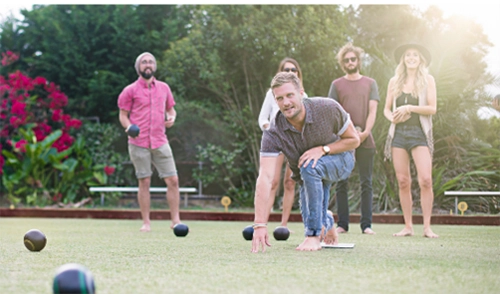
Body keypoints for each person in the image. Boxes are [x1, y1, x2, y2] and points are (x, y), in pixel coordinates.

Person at [251, 72, 360, 253]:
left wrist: (323, 149)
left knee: (310, 166)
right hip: (307, 174)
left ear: (301, 93)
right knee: (311, 210)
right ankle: (327, 220)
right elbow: (265, 177)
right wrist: (259, 224)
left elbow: (354, 140)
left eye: (289, 95)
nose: (285, 103)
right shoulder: (273, 132)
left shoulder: (327, 108)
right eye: (279, 98)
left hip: (341, 160)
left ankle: (313, 236)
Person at [117, 52, 182, 232]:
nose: (148, 65)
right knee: (144, 181)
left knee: (173, 180)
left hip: (160, 141)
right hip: (138, 142)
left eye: (151, 62)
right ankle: (146, 222)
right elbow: (123, 115)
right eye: (144, 62)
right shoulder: (129, 90)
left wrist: (171, 117)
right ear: (138, 67)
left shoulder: (164, 88)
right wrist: (129, 127)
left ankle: (176, 221)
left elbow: (171, 109)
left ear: (154, 66)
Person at [383, 43, 439, 238]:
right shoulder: (394, 81)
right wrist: (393, 118)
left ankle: (426, 227)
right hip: (398, 134)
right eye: (408, 55)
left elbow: (432, 109)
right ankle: (408, 226)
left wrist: (409, 109)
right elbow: (387, 109)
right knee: (403, 181)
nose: (411, 57)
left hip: (419, 133)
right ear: (403, 59)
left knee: (425, 180)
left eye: (415, 55)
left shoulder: (428, 80)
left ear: (420, 59)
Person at [328, 42, 379, 235]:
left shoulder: (370, 83)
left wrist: (365, 132)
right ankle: (342, 224)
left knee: (366, 182)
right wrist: (346, 134)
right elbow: (333, 112)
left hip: (365, 138)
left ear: (358, 60)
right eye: (346, 60)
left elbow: (373, 110)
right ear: (343, 63)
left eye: (353, 59)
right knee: (342, 181)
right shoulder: (336, 85)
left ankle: (366, 225)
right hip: (343, 139)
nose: (350, 62)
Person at [258, 57, 308, 228]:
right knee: (272, 182)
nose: (290, 72)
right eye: (286, 70)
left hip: (295, 143)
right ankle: (262, 222)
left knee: (290, 182)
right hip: (277, 141)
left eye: (293, 70)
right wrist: (271, 131)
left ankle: (283, 225)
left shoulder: (303, 96)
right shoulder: (271, 94)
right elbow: (263, 118)